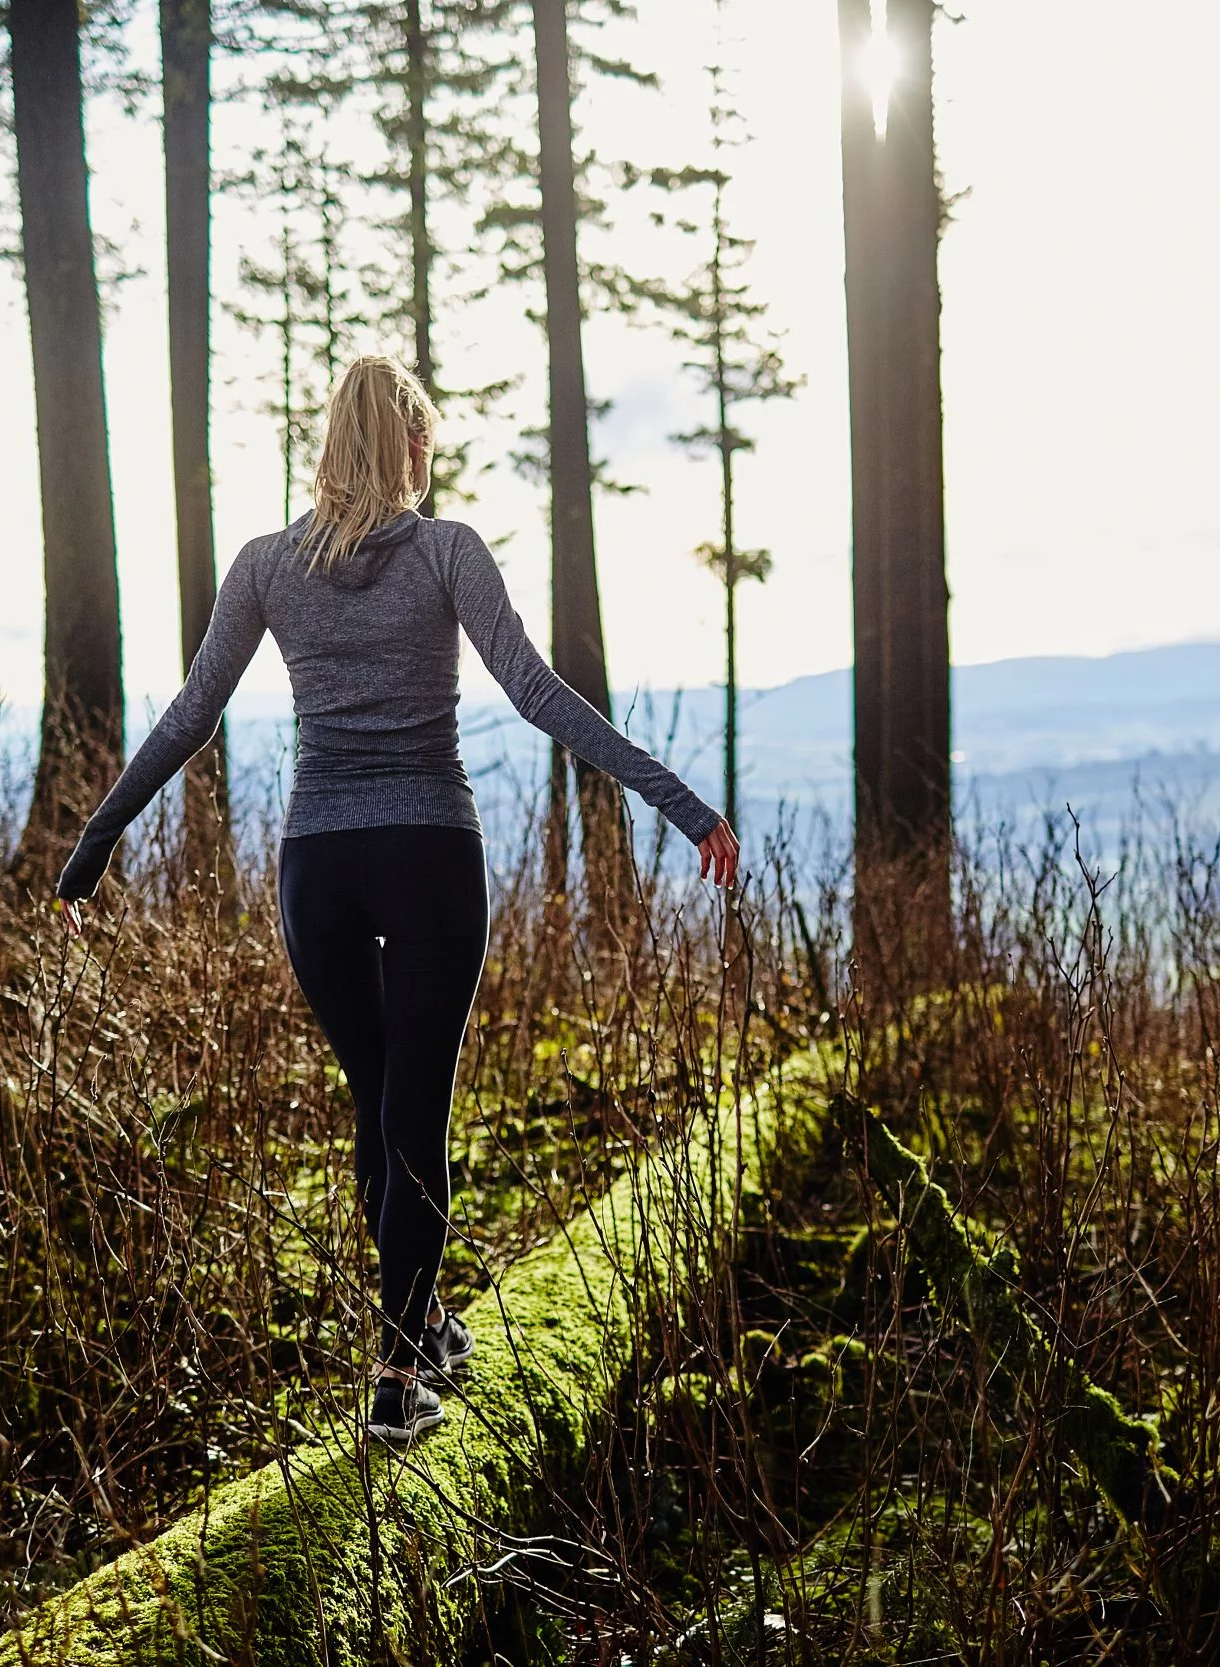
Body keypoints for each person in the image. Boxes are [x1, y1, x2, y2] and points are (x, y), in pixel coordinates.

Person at [55, 354, 738, 1447]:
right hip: (427, 850)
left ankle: (416, 1320)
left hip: (317, 865)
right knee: (415, 1111)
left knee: (379, 1102)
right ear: (408, 442)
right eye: (426, 436)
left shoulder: (265, 565)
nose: (431, 455)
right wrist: (685, 805)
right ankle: (395, 1375)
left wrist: (94, 844)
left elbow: (192, 712)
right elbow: (537, 693)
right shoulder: (446, 550)